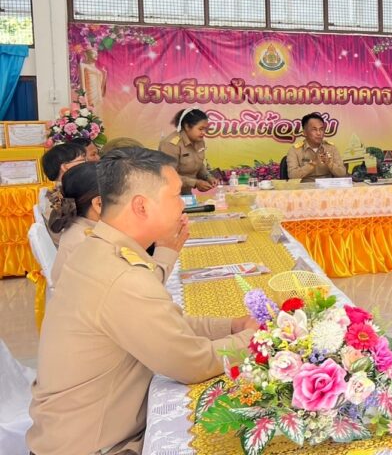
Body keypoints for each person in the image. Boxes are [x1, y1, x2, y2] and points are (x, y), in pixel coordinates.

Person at [27, 147, 257, 455]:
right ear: (141, 206)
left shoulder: (98, 249)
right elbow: (191, 363)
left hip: (78, 434)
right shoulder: (121, 276)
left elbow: (166, 323)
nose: (183, 205)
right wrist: (253, 338)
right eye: (176, 195)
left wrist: (232, 326)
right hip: (99, 447)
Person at [47, 162, 183, 287]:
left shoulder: (85, 226)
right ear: (99, 204)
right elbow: (145, 289)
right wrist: (166, 250)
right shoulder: (90, 244)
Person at [159, 108, 219, 194]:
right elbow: (168, 175)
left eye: (205, 129)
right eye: (200, 129)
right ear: (187, 126)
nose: (204, 132)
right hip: (169, 193)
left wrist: (208, 177)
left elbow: (198, 164)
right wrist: (195, 183)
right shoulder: (171, 144)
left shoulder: (199, 141)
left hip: (186, 192)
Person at [40, 142, 87, 244]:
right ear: (65, 167)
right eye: (83, 161)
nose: (87, 165)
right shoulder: (58, 197)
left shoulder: (66, 190)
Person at [286, 112, 347, 182]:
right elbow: (292, 176)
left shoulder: (331, 148)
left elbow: (342, 173)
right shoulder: (295, 150)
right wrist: (313, 164)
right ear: (304, 133)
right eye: (314, 129)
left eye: (321, 129)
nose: (319, 133)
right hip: (305, 186)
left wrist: (330, 164)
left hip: (328, 186)